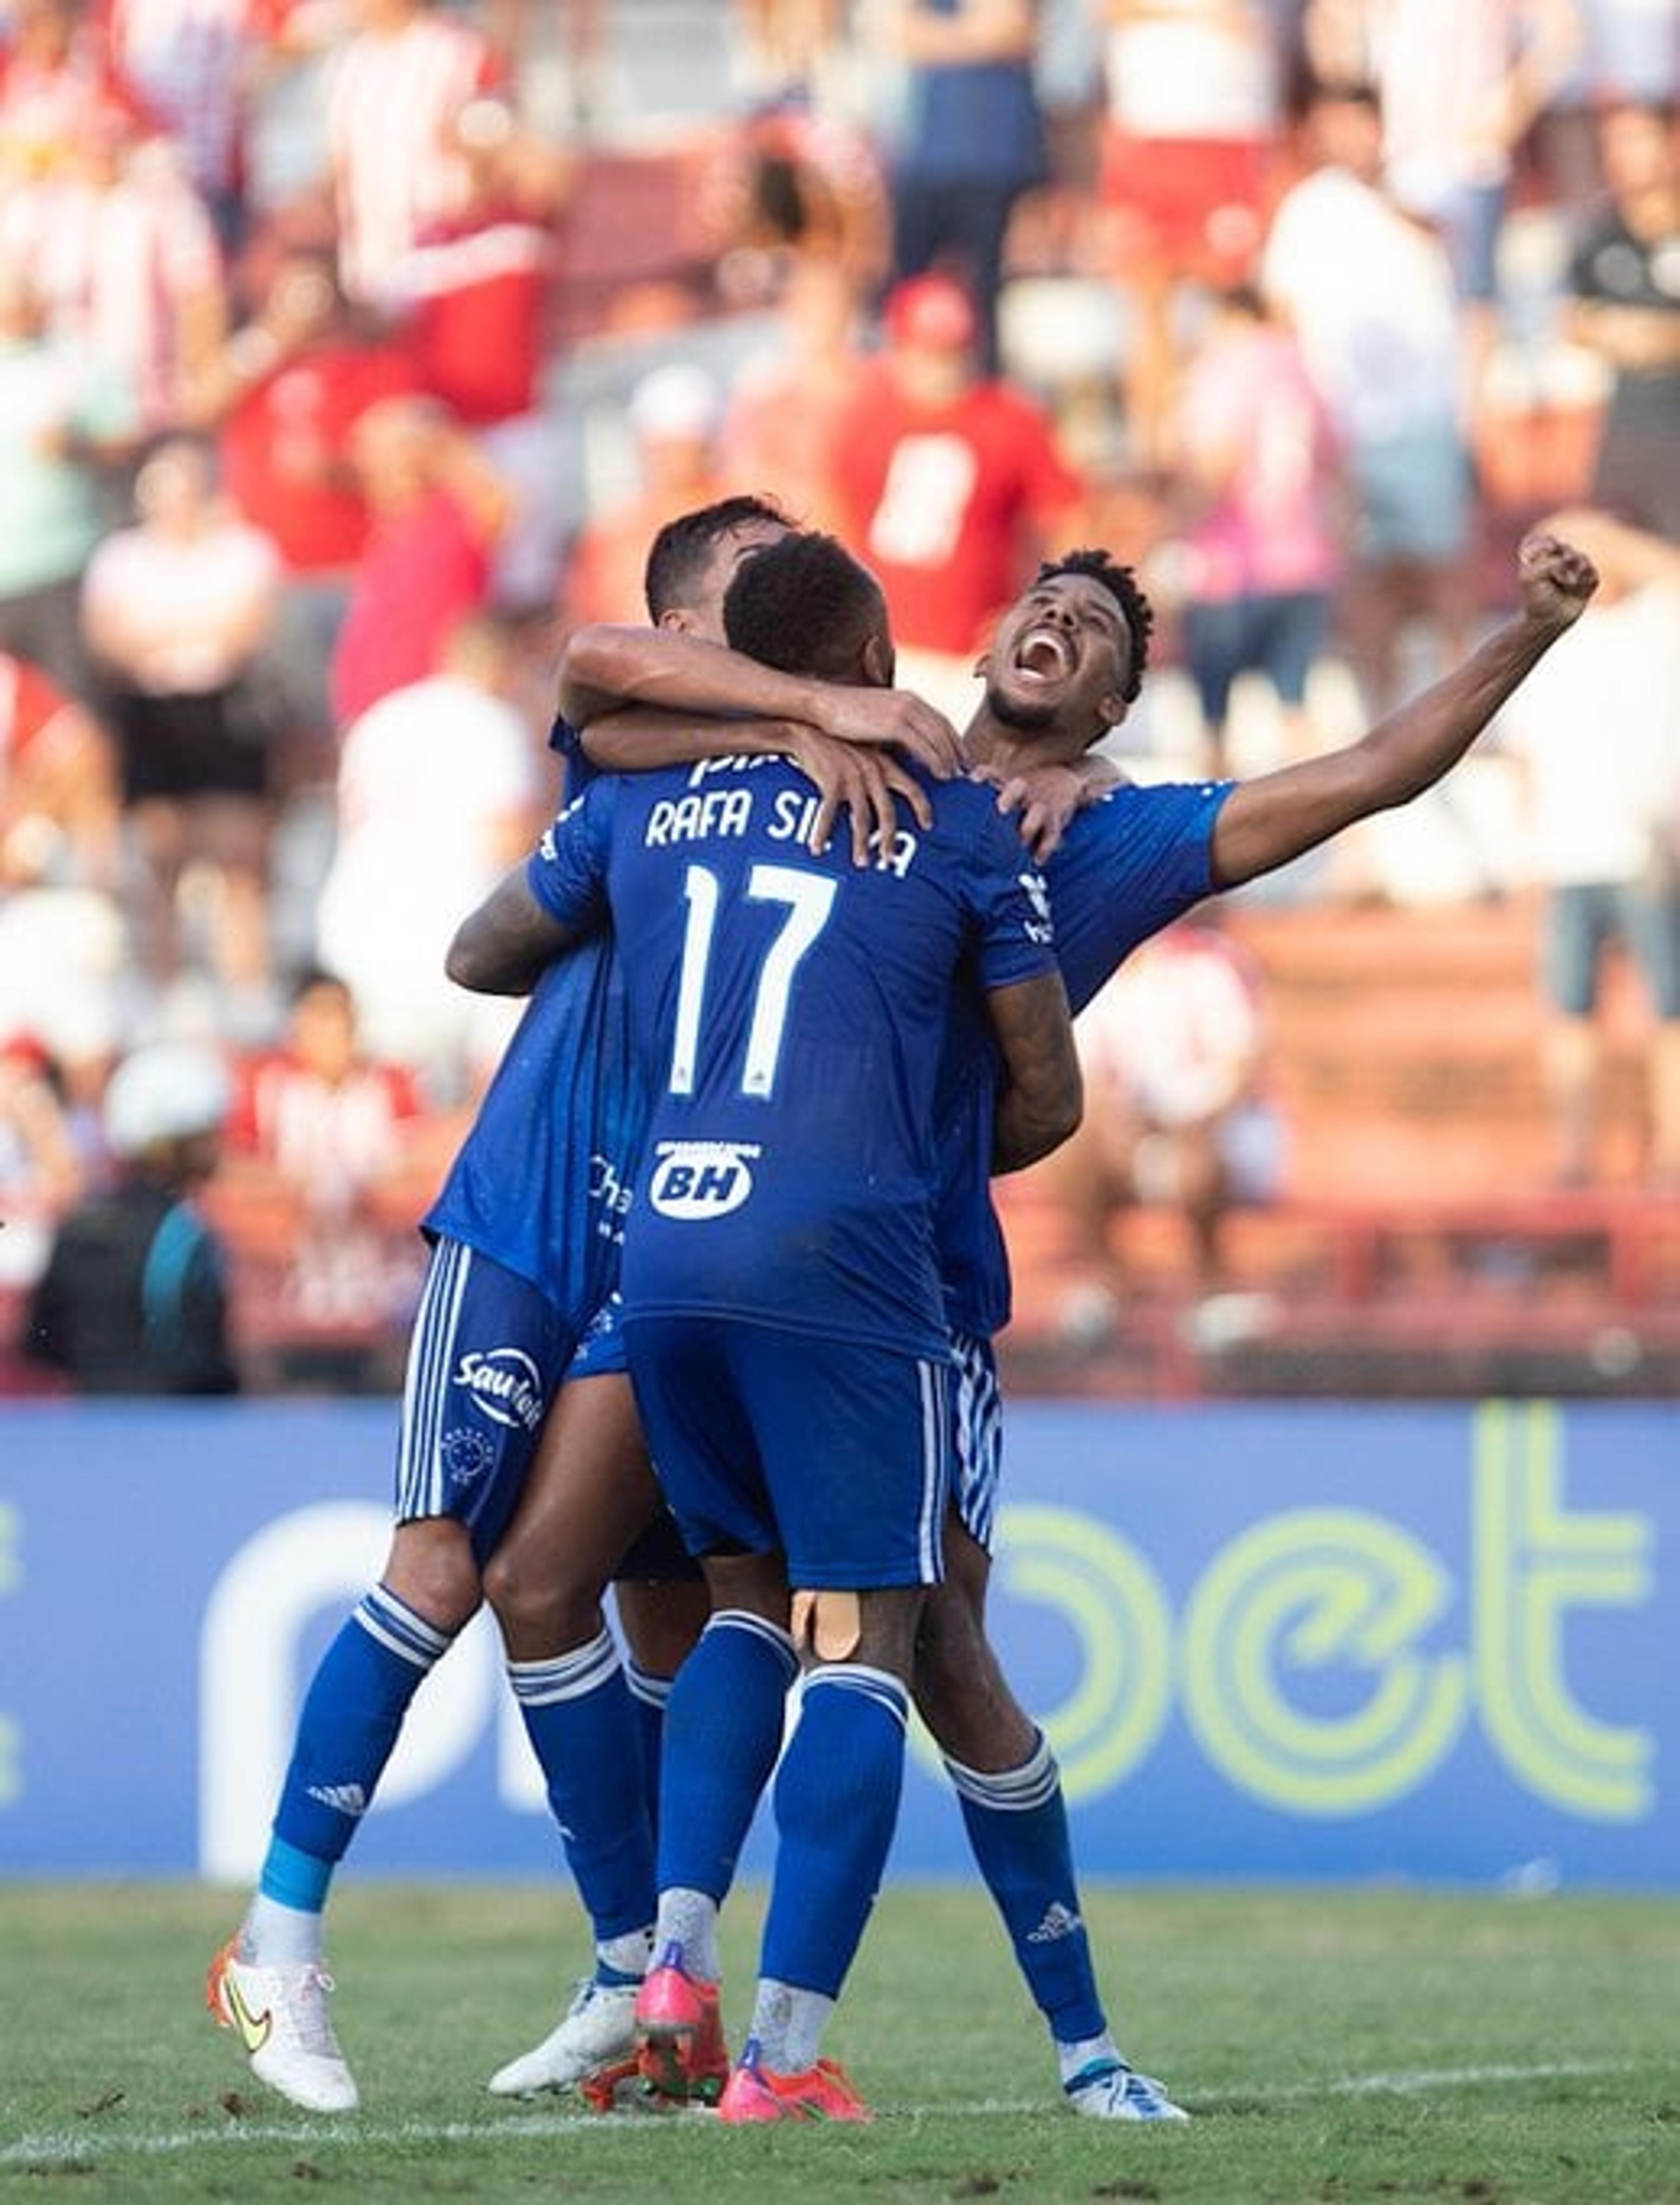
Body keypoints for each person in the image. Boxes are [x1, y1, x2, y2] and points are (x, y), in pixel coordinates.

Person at [559, 518, 1599, 2123]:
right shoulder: (849, 747)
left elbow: (1376, 772)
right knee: (830, 1627)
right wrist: (805, 713)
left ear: (1111, 715)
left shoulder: (1096, 836)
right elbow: (606, 704)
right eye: (1041, 606)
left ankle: (1011, 2035)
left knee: (910, 1653)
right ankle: (763, 2023)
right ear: (972, 648)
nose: (1058, 628)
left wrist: (1522, 633)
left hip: (884, 1289)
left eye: (1094, 637)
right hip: (818, 1282)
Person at [204, 494, 956, 2117]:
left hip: (680, 1223)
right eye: (753, 584)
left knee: (622, 1591)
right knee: (439, 1561)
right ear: (694, 622)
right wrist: (825, 704)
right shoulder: (632, 736)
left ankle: (637, 1972)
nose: (786, 613)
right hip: (532, 1202)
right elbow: (589, 659)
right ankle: (275, 1940)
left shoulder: (808, 774)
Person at [446, 528, 1083, 2125]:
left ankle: (669, 1963)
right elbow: (1048, 1095)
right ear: (874, 665)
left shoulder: (641, 801)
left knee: (738, 1601)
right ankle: (783, 2062)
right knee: (863, 1639)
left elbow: (483, 947)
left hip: (662, 1253)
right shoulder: (952, 823)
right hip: (847, 1261)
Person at [1490, 504, 1680, 1186]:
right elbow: (1522, 758)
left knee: (1671, 1008)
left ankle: (1670, 1155)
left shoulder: (1655, 623)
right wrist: (1523, 852)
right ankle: (1574, 1157)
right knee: (1570, 1012)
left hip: (1646, 848)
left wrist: (1605, 537)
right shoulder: (1541, 640)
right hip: (1568, 850)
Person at [826, 267, 1089, 727]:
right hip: (882, 648)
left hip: (972, 655)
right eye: (929, 354)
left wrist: (1036, 607)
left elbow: (1069, 519)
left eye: (952, 353)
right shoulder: (867, 419)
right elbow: (836, 518)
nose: (942, 368)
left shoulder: (1010, 419)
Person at [24, 1037, 240, 1394]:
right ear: (176, 1143)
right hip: (174, 1430)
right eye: (207, 1134)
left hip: (85, 1428)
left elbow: (43, 1344)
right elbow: (202, 1359)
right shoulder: (187, 1234)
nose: (218, 1146)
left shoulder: (80, 1221)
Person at [1561, 95, 1680, 540]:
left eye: (1637, 138)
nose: (1624, 153)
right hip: (1626, 427)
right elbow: (1573, 318)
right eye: (1614, 142)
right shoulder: (1598, 232)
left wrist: (1654, 338)